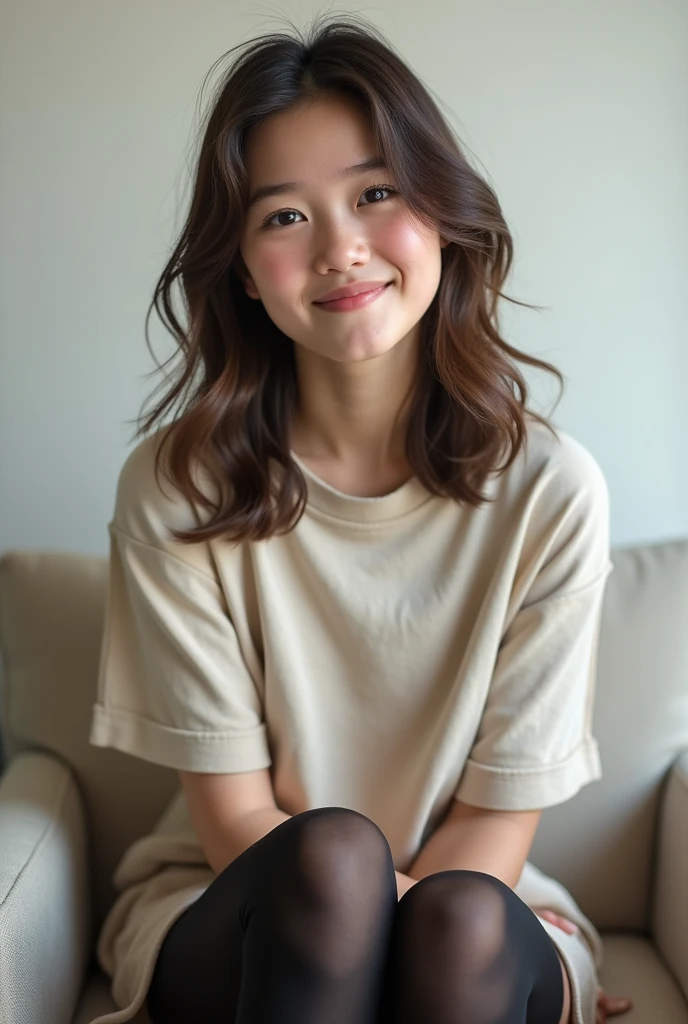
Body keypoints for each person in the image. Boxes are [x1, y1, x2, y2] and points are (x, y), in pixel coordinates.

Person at [88, 12, 634, 1024]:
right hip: (239, 902)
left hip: (482, 904)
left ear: (440, 216)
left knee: (461, 921)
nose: (342, 248)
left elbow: (496, 825)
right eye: (284, 216)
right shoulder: (178, 489)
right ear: (243, 269)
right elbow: (238, 820)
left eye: (376, 194)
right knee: (332, 861)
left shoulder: (551, 490)